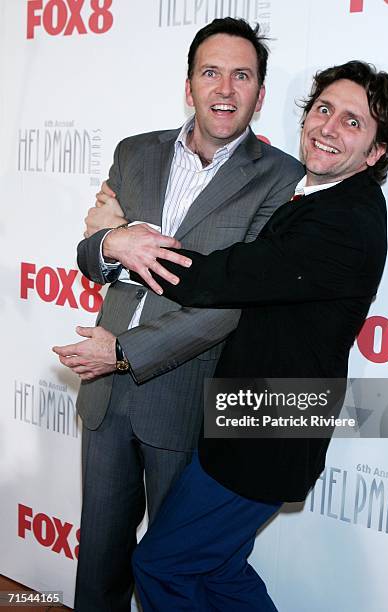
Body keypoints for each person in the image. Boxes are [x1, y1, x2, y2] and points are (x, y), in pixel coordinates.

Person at [120, 61, 388, 610]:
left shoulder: (343, 220)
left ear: (376, 153)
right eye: (324, 109)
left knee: (162, 564)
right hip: (254, 416)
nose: (328, 126)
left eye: (353, 122)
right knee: (220, 568)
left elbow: (225, 277)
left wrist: (131, 247)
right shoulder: (319, 199)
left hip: (269, 426)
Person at [52, 18, 303, 612]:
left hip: (185, 396)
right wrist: (115, 245)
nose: (224, 88)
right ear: (188, 86)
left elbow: (236, 304)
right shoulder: (135, 153)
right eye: (210, 72)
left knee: (172, 575)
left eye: (241, 75)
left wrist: (122, 353)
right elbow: (88, 254)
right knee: (100, 565)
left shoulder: (280, 179)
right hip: (106, 398)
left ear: (259, 95)